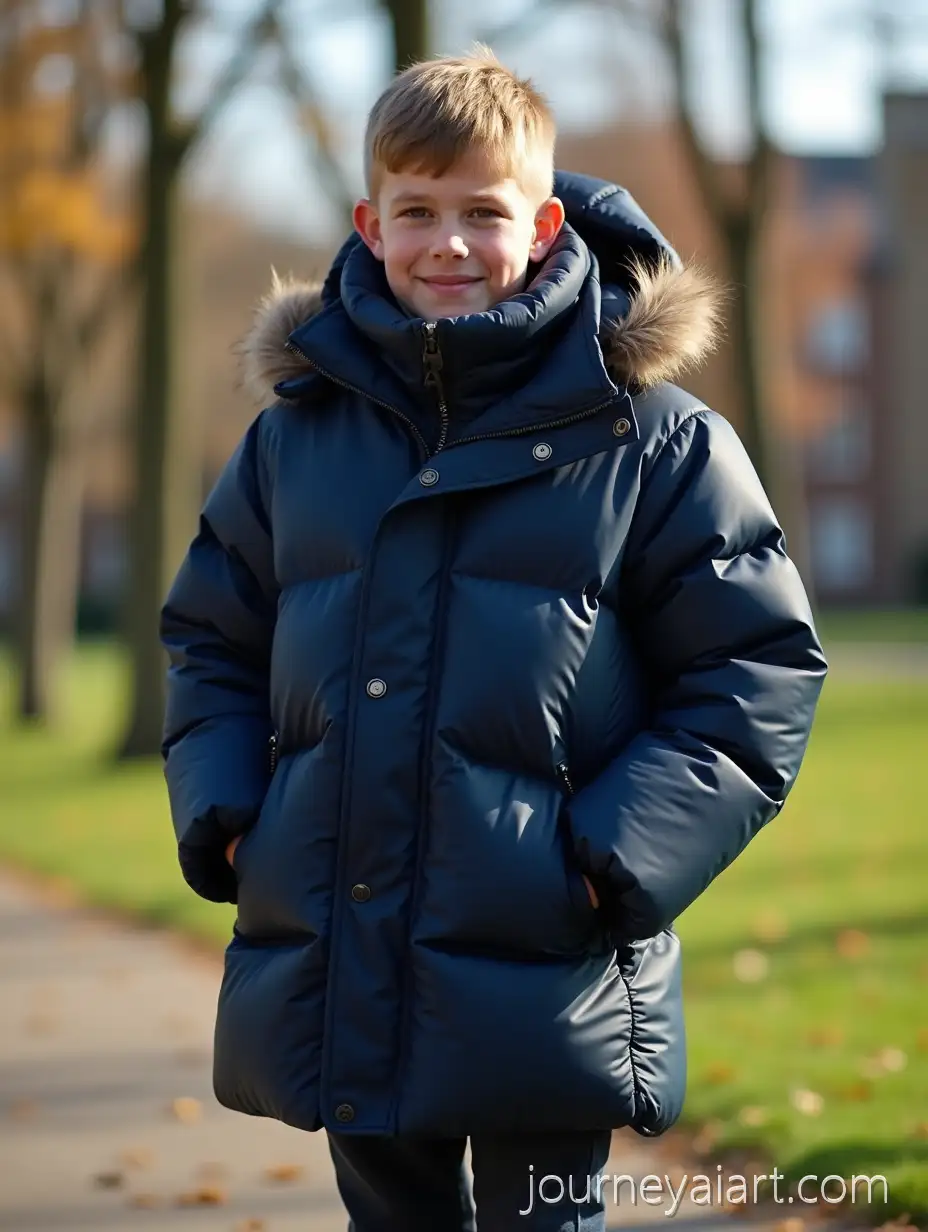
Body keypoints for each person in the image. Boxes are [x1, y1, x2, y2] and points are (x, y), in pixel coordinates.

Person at [160, 46, 827, 1232]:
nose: (449, 243)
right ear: (369, 223)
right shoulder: (296, 441)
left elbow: (753, 672)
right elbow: (210, 638)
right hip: (344, 938)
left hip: (549, 950)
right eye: (416, 211)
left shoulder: (653, 440)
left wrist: (612, 857)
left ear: (546, 219)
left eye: (484, 211)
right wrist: (228, 810)